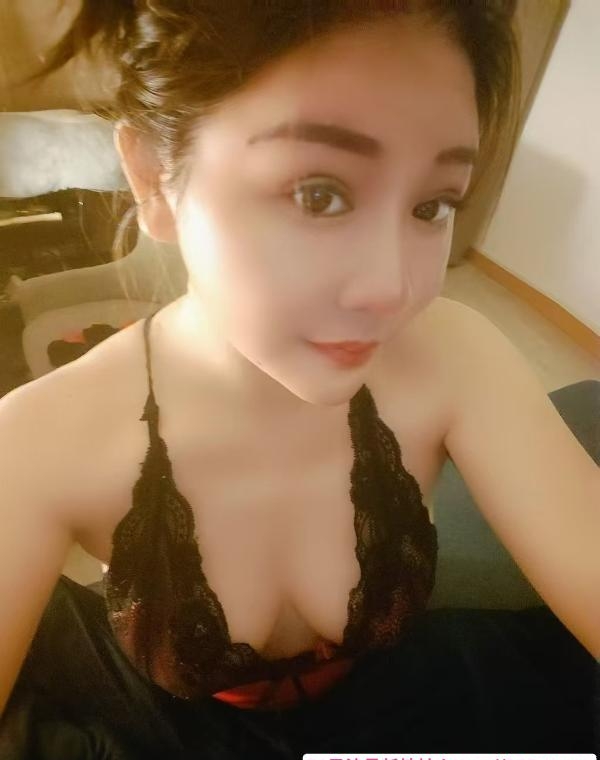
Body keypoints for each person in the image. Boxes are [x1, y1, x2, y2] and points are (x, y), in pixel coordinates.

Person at [0, 1, 598, 757]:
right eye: (320, 194)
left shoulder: (454, 356)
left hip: (397, 704)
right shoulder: (37, 444)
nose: (393, 289)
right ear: (152, 176)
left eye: (432, 205)